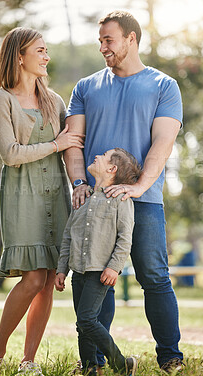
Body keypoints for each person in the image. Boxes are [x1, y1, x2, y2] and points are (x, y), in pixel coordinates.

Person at [63, 10, 184, 374]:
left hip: (142, 201)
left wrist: (139, 186)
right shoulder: (85, 87)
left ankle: (170, 357)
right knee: (97, 278)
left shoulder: (164, 85)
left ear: (131, 39)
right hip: (94, 204)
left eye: (108, 40)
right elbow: (74, 141)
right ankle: (94, 364)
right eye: (100, 40)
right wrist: (80, 183)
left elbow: (163, 142)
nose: (102, 47)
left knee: (154, 277)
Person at [0, 27, 84, 376]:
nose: (46, 56)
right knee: (33, 277)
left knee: (49, 277)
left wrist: (79, 184)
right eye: (40, 50)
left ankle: (29, 361)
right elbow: (10, 154)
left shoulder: (56, 101)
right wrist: (55, 145)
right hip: (23, 196)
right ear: (19, 56)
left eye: (46, 50)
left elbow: (72, 150)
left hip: (57, 195)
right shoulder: (1, 99)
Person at [55, 148, 142, 376]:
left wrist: (114, 267)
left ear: (112, 169)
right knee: (81, 325)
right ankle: (90, 368)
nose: (97, 156)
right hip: (78, 272)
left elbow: (125, 238)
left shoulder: (120, 200)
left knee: (87, 319)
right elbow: (68, 236)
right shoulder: (82, 198)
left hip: (100, 272)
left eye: (104, 155)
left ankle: (122, 363)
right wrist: (62, 269)